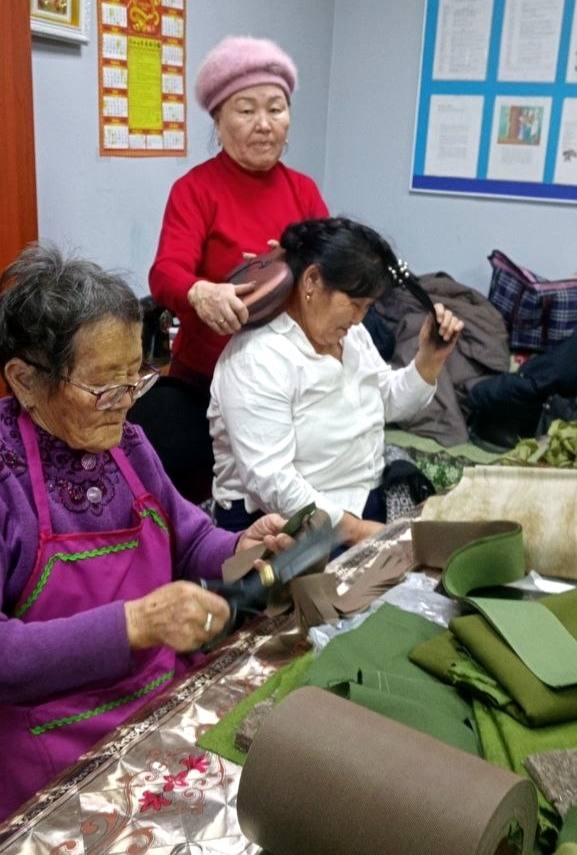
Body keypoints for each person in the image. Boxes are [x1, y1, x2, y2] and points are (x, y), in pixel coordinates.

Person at [0, 244, 291, 821]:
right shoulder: (7, 480)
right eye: (105, 389)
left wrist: (241, 547)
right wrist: (134, 624)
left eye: (136, 380)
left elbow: (191, 539)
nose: (126, 405)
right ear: (25, 380)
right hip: (53, 752)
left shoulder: (127, 444)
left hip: (158, 712)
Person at [145, 36, 328, 497]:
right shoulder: (195, 190)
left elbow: (333, 273)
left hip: (288, 386)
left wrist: (300, 273)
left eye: (276, 109)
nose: (264, 124)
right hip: (207, 384)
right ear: (218, 120)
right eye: (246, 110)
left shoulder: (304, 191)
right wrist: (201, 292)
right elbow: (165, 272)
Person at [209, 218, 464, 544]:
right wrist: (358, 532)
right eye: (354, 305)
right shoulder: (258, 357)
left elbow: (386, 402)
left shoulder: (351, 336)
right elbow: (272, 482)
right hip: (283, 525)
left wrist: (429, 359)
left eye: (367, 307)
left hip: (360, 504)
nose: (359, 319)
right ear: (312, 281)